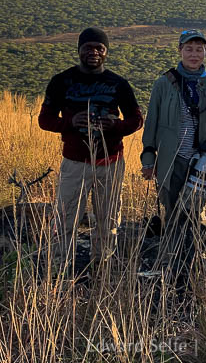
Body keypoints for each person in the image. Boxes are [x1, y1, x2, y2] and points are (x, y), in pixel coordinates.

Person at [38, 27, 143, 265]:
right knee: (65, 217)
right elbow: (44, 120)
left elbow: (136, 120)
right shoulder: (61, 81)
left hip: (111, 162)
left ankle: (102, 263)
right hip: (75, 163)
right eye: (88, 48)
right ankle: (61, 265)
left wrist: (115, 125)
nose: (94, 52)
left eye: (99, 48)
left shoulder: (119, 84)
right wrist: (70, 122)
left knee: (108, 219)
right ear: (79, 51)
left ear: (106, 52)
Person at [140, 29, 206, 280]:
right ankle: (172, 263)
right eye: (189, 49)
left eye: (199, 49)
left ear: (205, 52)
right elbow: (152, 125)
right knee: (172, 212)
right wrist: (148, 159)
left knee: (194, 212)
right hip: (171, 160)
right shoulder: (163, 83)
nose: (194, 54)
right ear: (180, 50)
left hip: (202, 161)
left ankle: (189, 262)